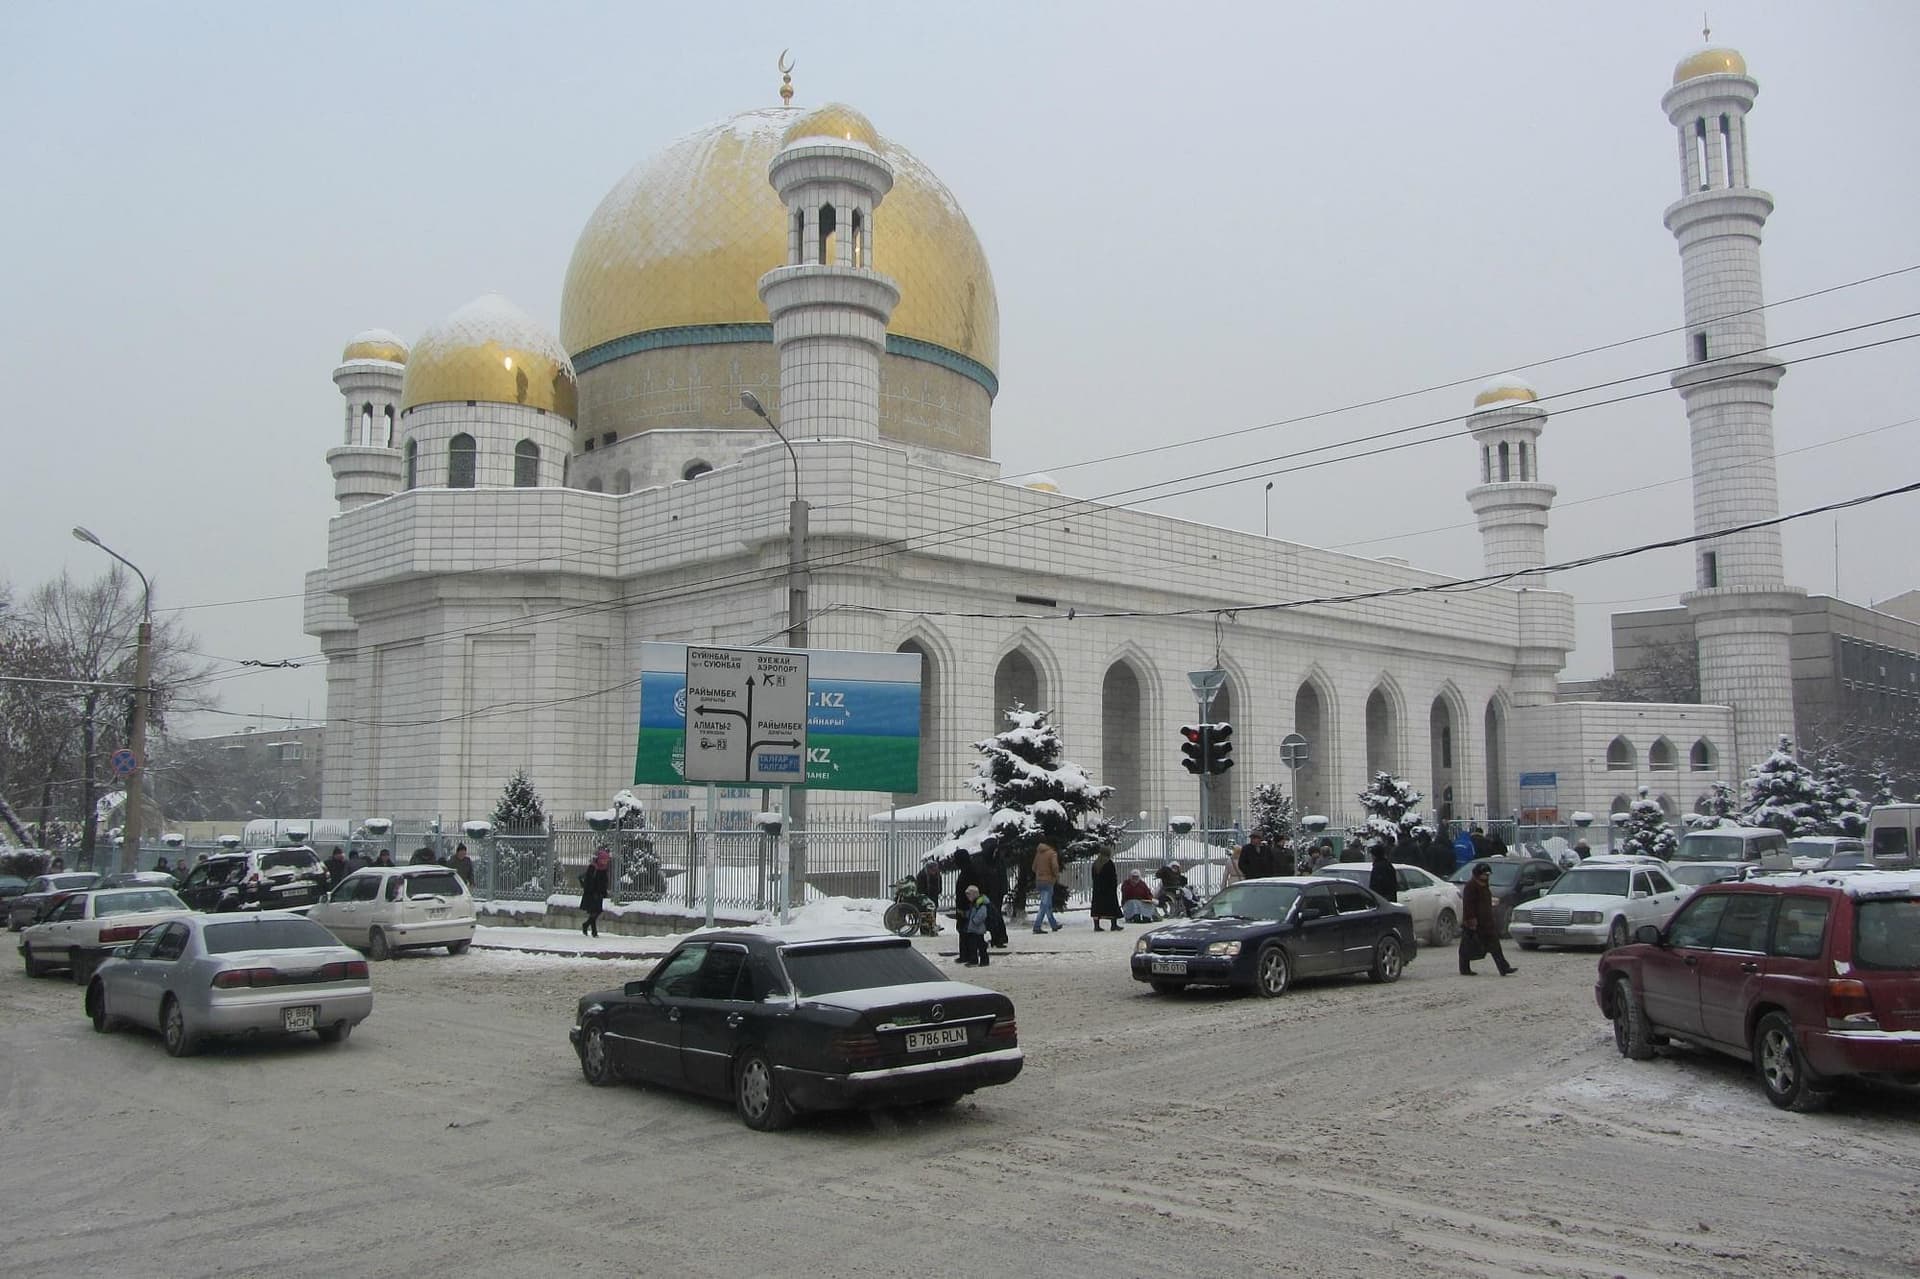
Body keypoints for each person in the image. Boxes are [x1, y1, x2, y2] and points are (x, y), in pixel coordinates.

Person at [1460, 860, 1517, 976]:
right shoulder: (1471, 887)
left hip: (1487, 923)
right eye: (1484, 874)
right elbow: (1468, 905)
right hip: (1475, 923)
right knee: (1467, 946)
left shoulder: (1484, 886)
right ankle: (1464, 968)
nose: (1486, 877)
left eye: (1487, 875)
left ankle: (1504, 968)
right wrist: (1471, 921)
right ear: (1478, 874)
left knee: (1495, 946)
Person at [1030, 842, 1062, 933]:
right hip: (1048, 881)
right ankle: (1037, 926)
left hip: (1039, 881)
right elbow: (1055, 867)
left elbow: (1033, 867)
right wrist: (1056, 876)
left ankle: (1053, 924)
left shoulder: (1038, 853)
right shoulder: (1052, 853)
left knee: (1047, 904)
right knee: (1044, 905)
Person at [579, 846, 611, 938]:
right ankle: (593, 931)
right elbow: (590, 880)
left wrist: (604, 892)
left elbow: (604, 881)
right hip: (592, 893)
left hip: (599, 893)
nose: (605, 862)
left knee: (596, 911)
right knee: (594, 912)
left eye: (606, 860)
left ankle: (587, 926)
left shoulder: (604, 868)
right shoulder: (593, 867)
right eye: (604, 860)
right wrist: (593, 891)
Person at [1088, 848, 1122, 931]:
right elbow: (1112, 877)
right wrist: (1114, 886)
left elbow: (1093, 876)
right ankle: (1113, 925)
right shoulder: (1109, 863)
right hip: (1109, 889)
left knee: (1097, 907)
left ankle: (1096, 926)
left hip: (1097, 889)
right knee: (1112, 906)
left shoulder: (1095, 863)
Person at [957, 886, 991, 967]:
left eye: (969, 895)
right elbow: (972, 913)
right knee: (973, 946)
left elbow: (981, 915)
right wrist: (965, 914)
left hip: (978, 929)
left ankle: (982, 960)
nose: (968, 898)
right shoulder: (975, 903)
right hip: (974, 929)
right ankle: (975, 960)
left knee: (980, 946)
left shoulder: (980, 904)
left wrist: (974, 921)